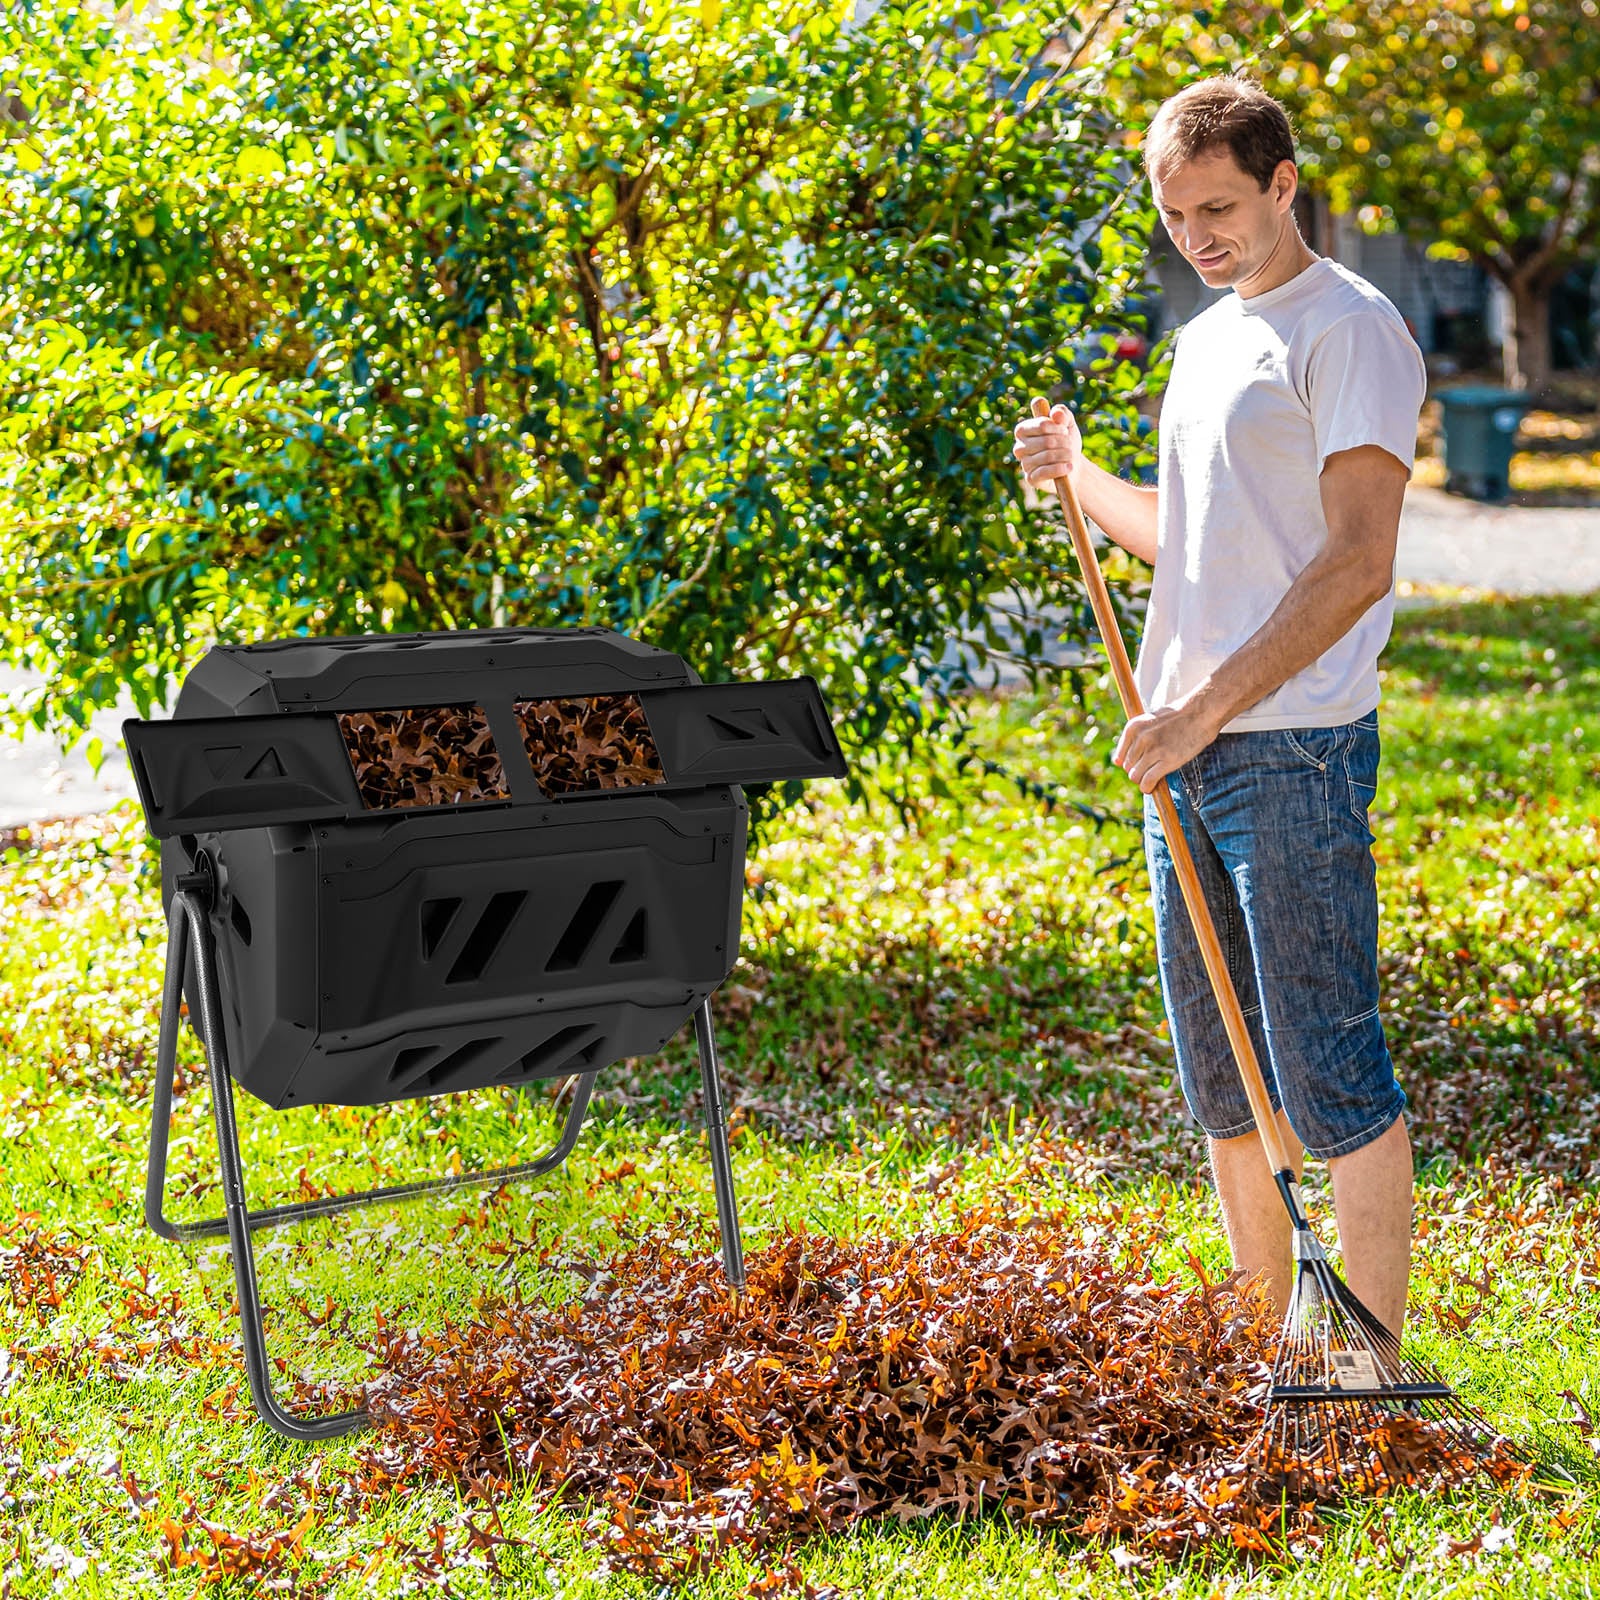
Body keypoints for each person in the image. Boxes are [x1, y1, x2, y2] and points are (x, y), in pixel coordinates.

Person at [1012, 75, 1427, 1338]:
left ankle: (1367, 1364)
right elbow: (1190, 543)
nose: (1196, 235)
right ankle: (1273, 1352)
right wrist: (1084, 480)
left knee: (1325, 1067)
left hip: (1290, 751)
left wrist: (1204, 711)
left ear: (1282, 185)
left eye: (1219, 206)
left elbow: (1356, 561)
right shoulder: (1202, 342)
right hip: (1181, 756)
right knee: (1223, 1084)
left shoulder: (1347, 330)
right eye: (1174, 212)